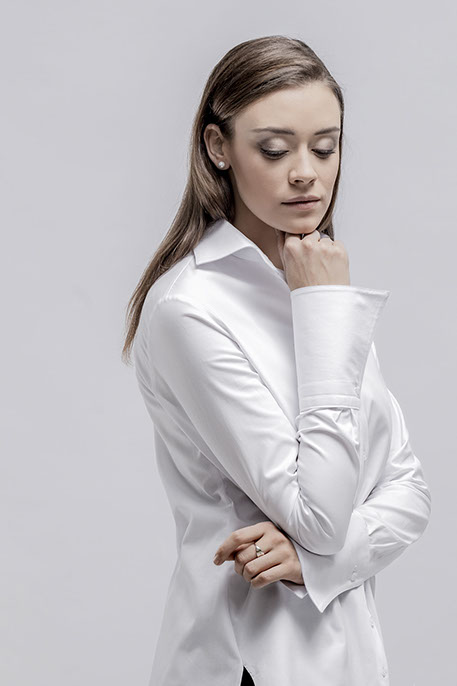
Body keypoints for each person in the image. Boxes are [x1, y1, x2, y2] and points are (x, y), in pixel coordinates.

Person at [122, 35, 432, 686]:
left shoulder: (315, 282)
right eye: (274, 149)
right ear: (218, 147)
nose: (305, 172)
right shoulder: (190, 308)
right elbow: (319, 517)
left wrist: (319, 560)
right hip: (248, 661)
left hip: (348, 661)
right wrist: (324, 310)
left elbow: (408, 490)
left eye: (326, 147)